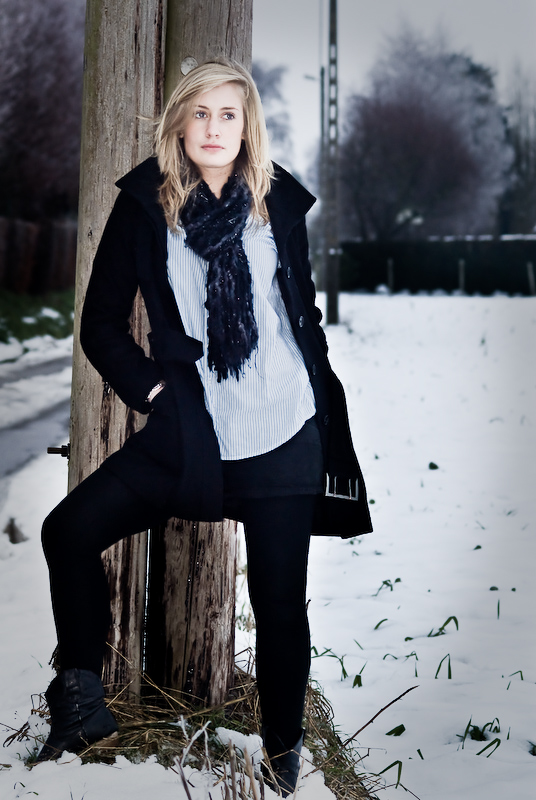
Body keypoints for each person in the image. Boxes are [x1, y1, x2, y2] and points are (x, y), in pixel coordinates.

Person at [38, 59, 372, 795]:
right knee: (68, 532)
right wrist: (155, 390)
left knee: (279, 606)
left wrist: (317, 397)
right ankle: (83, 707)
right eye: (200, 113)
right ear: (178, 124)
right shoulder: (144, 206)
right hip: (189, 431)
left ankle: (283, 763)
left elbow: (301, 311)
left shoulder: (277, 203)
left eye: (228, 114)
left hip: (282, 428)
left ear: (247, 124)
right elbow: (99, 324)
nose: (214, 128)